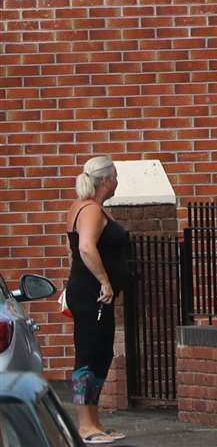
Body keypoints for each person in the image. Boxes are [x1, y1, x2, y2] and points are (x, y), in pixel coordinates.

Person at [63, 156, 129, 444]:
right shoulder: (89, 210)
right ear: (104, 180)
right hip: (94, 294)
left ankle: (94, 420)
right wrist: (104, 281)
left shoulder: (90, 208)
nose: (117, 182)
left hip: (92, 293)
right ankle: (84, 424)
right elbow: (86, 248)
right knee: (89, 355)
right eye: (115, 177)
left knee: (102, 354)